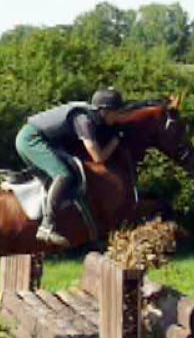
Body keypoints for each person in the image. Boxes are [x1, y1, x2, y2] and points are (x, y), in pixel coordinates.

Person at [15, 88, 125, 247]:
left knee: (68, 171)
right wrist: (116, 140)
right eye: (117, 112)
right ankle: (47, 225)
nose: (118, 117)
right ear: (105, 111)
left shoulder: (90, 116)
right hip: (31, 140)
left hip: (40, 140)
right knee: (63, 175)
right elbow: (98, 157)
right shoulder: (84, 120)